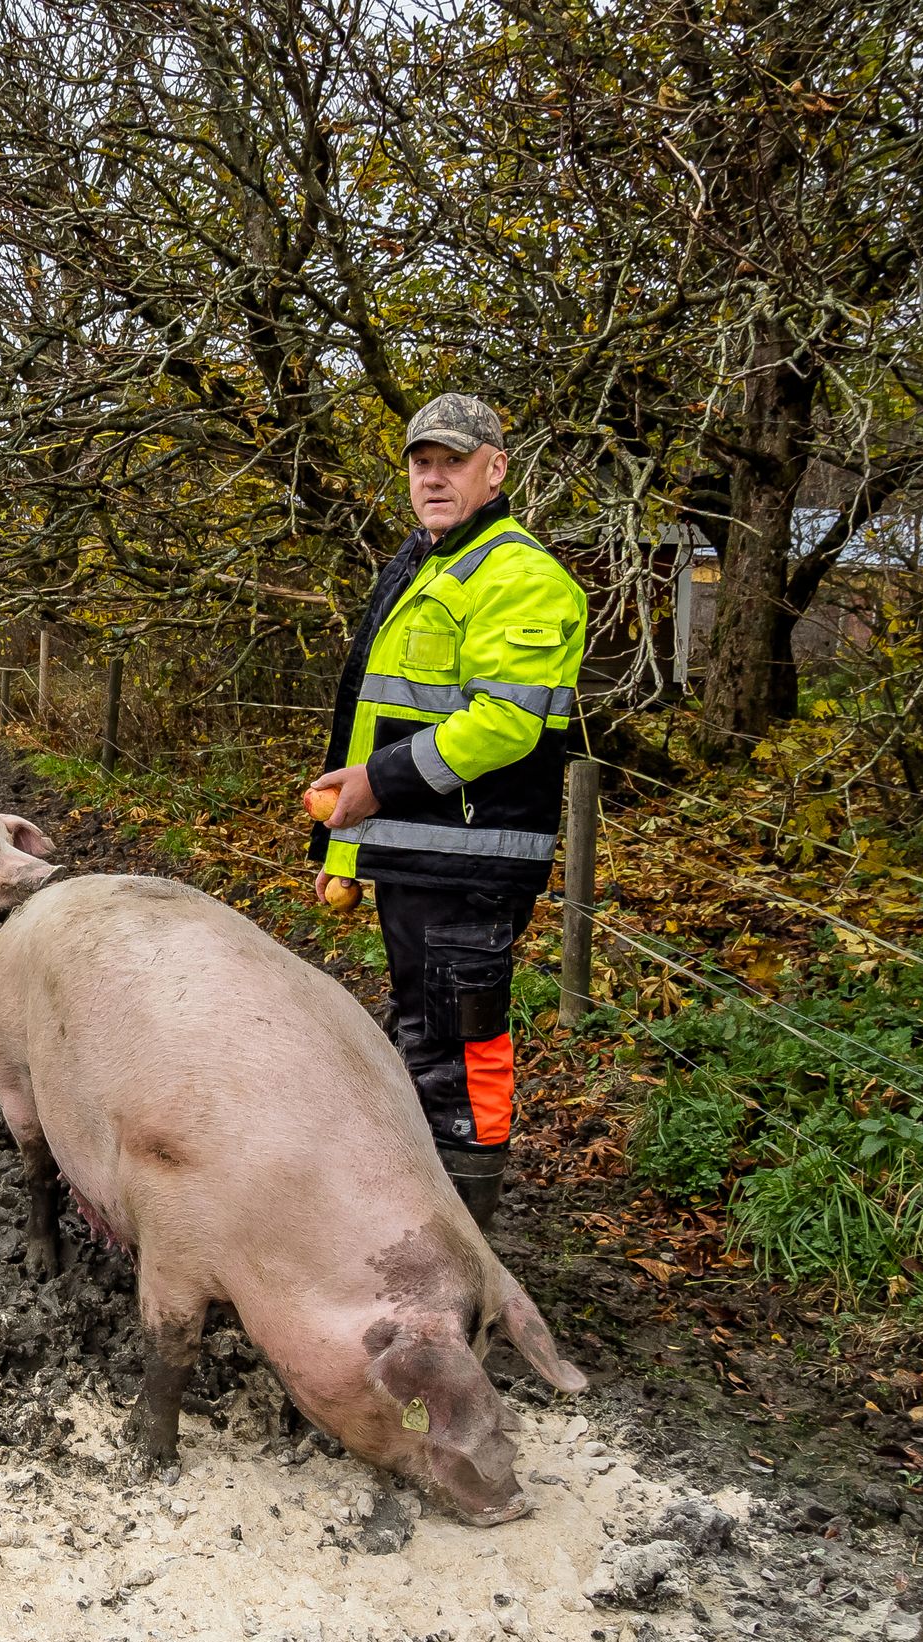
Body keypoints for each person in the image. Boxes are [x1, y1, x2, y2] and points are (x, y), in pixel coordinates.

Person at [307, 394, 589, 1228]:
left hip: (466, 855)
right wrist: (347, 844)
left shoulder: (519, 574)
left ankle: (464, 1243)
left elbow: (504, 721)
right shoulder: (429, 561)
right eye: (420, 462)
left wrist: (377, 786)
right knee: (426, 1033)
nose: (433, 476)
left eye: (452, 461)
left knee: (457, 1050)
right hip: (423, 848)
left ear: (494, 469)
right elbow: (376, 710)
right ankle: (425, 1220)